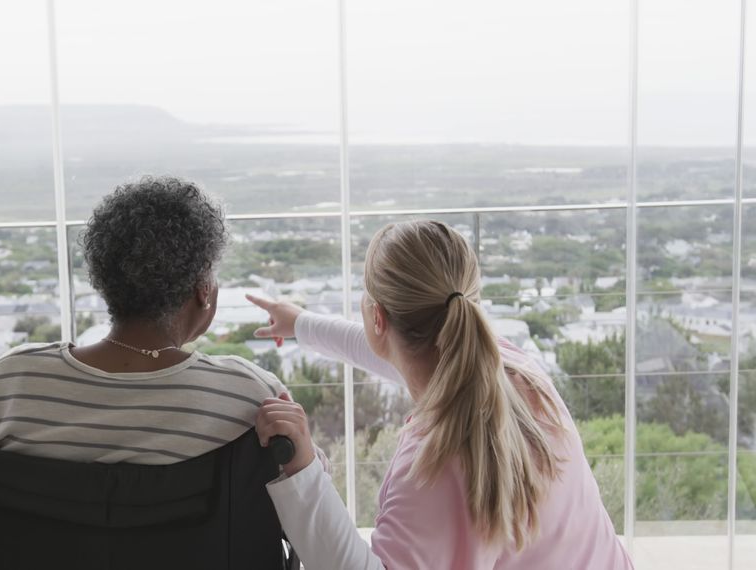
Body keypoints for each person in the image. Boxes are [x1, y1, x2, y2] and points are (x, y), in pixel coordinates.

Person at [249, 220, 632, 569]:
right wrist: (302, 323)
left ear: (377, 318)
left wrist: (304, 471)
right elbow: (396, 350)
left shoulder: (431, 467)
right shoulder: (515, 369)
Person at [0, 176, 290, 470]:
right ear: (202, 289)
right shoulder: (253, 396)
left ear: (103, 279)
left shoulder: (10, 382)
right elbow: (303, 500)